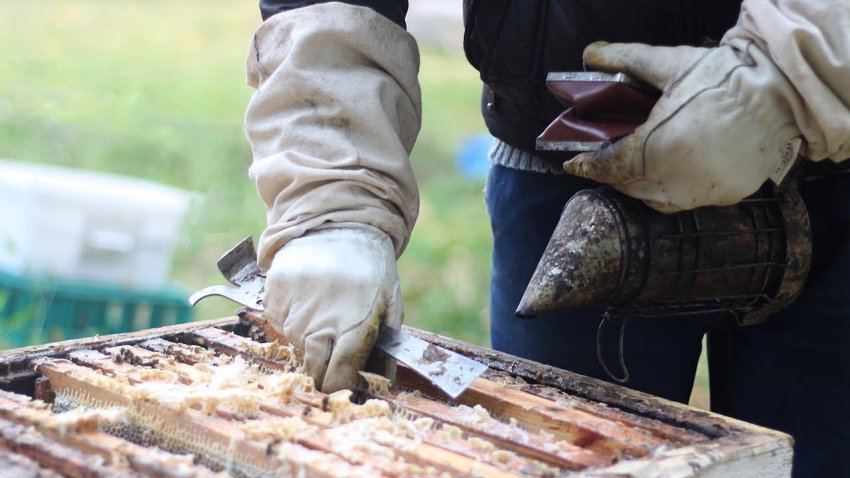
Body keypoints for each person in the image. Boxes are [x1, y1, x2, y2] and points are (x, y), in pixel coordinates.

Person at [243, 1, 850, 475]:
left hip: (838, 166)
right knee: (568, 453)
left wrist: (795, 80)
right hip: (568, 170)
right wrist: (334, 203)